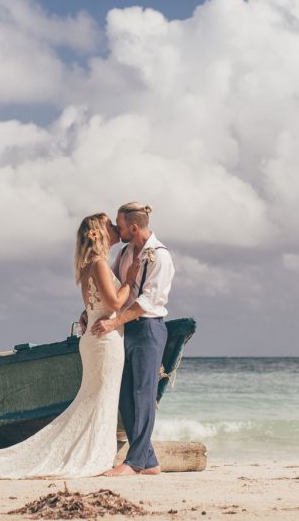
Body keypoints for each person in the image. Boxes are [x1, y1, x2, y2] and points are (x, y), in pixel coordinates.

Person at [0, 213, 143, 479]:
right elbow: (114, 303)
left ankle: (93, 452)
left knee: (94, 400)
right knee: (100, 400)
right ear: (99, 233)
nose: (115, 228)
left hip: (94, 338)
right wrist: (129, 280)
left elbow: (96, 303)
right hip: (104, 341)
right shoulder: (100, 263)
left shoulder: (89, 264)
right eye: (110, 226)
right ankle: (93, 456)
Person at [92, 202, 175, 477]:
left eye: (120, 224)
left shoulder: (161, 256)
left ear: (134, 227)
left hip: (149, 328)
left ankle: (135, 462)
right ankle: (149, 462)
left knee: (143, 394)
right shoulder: (127, 252)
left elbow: (148, 300)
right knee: (124, 393)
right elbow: (114, 286)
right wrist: (88, 311)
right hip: (127, 329)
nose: (117, 229)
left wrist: (115, 321)